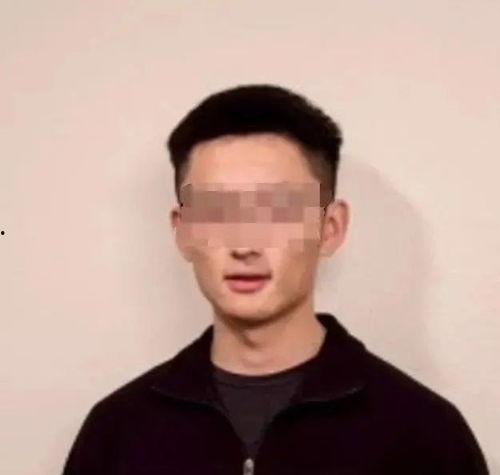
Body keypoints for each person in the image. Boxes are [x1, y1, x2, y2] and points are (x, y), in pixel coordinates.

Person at [62, 84, 489, 474]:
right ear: (183, 231)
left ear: (331, 228)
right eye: (216, 212)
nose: (245, 244)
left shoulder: (424, 436)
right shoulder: (116, 433)